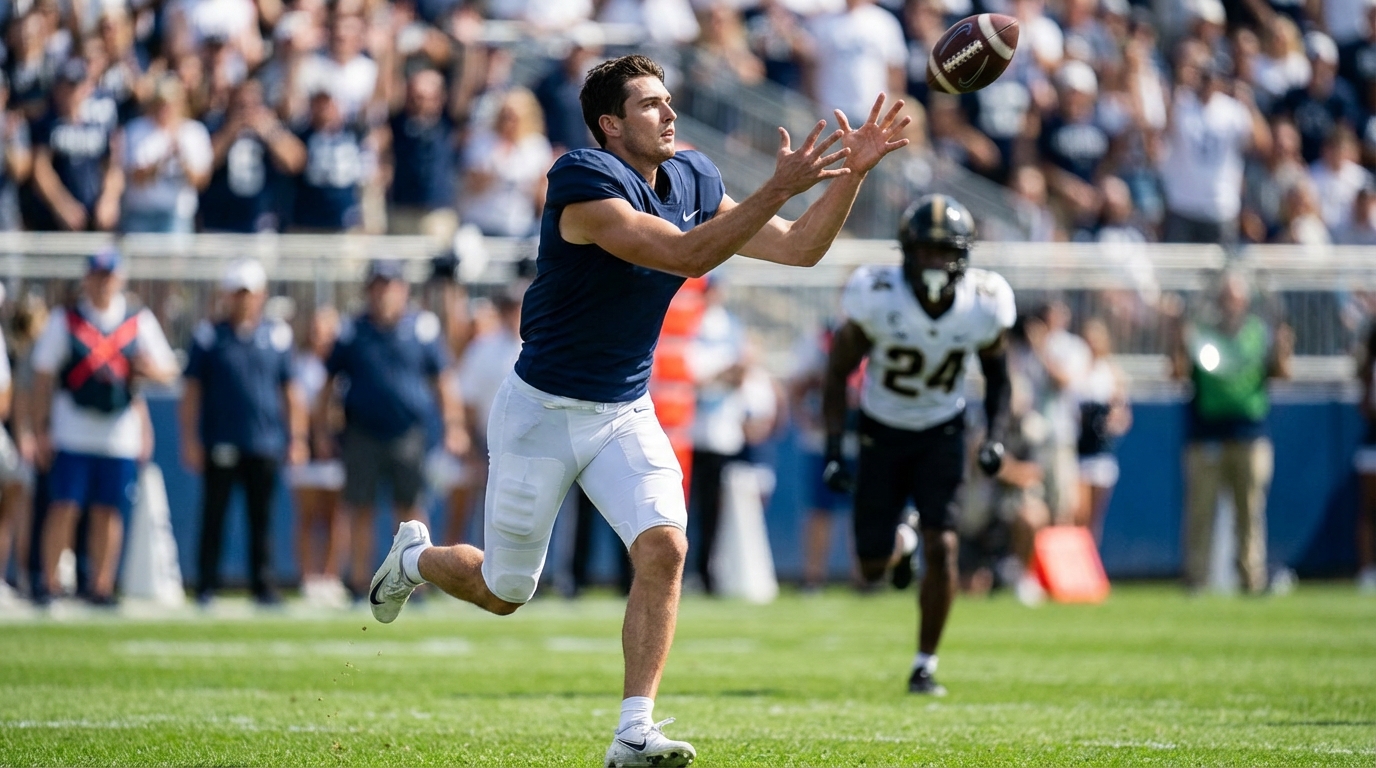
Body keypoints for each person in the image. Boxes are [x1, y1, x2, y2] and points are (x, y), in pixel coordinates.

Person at [364, 54, 909, 767]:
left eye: (668, 99)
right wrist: (778, 185)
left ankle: (633, 730)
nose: (669, 112)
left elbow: (801, 249)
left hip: (622, 408)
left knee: (665, 546)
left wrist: (853, 175)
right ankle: (415, 557)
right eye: (650, 104)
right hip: (541, 412)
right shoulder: (582, 178)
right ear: (611, 124)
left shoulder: (692, 176)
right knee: (504, 591)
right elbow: (684, 257)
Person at [821, 194, 1015, 696]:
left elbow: (999, 378)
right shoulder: (878, 294)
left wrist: (995, 438)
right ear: (907, 253)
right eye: (926, 251)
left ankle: (925, 663)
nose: (935, 262)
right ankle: (902, 543)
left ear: (963, 256)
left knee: (944, 543)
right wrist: (835, 450)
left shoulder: (984, 301)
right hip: (881, 429)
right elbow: (838, 371)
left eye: (945, 252)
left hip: (942, 430)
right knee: (870, 564)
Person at [32, 250, 179, 605]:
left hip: (118, 432)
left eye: (109, 276)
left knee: (109, 509)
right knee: (64, 505)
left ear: (120, 280)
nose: (103, 283)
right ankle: (51, 583)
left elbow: (169, 371)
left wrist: (148, 371)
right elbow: (43, 375)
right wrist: (41, 428)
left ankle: (101, 585)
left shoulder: (138, 320)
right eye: (97, 276)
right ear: (87, 279)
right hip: (73, 428)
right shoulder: (66, 319)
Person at [315, 258, 467, 600]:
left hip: (407, 434)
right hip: (361, 433)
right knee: (360, 508)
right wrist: (322, 431)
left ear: (403, 289)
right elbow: (328, 384)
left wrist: (454, 425)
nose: (383, 293)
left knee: (411, 510)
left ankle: (418, 584)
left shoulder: (421, 328)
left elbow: (443, 381)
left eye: (389, 285)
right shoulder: (353, 331)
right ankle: (359, 582)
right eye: (378, 286)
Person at [180, 259, 308, 605]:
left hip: (264, 441)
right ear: (226, 296)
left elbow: (290, 391)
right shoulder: (209, 336)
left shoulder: (277, 335)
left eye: (249, 293)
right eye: (237, 293)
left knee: (261, 518)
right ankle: (206, 584)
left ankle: (263, 585)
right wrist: (189, 438)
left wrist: (297, 438)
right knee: (214, 514)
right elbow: (191, 392)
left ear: (261, 295)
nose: (243, 300)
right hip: (221, 439)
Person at [1171, 270, 1292, 594]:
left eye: (1236, 298)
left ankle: (1251, 577)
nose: (1230, 304)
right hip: (1206, 433)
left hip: (1250, 431)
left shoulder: (1259, 333)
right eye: (1226, 297)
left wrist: (1283, 347)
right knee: (1200, 510)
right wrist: (1178, 342)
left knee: (1250, 511)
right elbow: (1178, 373)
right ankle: (1196, 577)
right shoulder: (1202, 333)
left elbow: (1281, 374)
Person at [290, 305, 349, 607]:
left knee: (336, 515)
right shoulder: (301, 365)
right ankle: (308, 577)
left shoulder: (346, 365)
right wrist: (310, 437)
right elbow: (299, 406)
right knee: (308, 514)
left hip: (340, 448)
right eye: (317, 330)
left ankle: (331, 576)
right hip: (310, 449)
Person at [1074, 317, 1132, 543]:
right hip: (1077, 452)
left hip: (1101, 452)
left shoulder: (1111, 372)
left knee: (1093, 520)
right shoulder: (1075, 370)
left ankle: (1089, 559)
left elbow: (1123, 414)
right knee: (1079, 512)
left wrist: (1110, 422)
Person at [1353, 319, 1376, 593]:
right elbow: (1367, 406)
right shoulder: (1369, 367)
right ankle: (1368, 570)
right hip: (1372, 445)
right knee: (1369, 511)